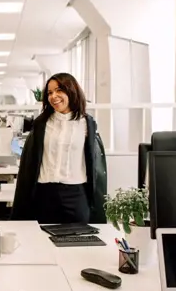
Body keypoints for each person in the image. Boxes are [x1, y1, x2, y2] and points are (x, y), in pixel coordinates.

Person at [11, 73, 107, 224]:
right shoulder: (41, 124)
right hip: (45, 193)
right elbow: (29, 164)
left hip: (77, 193)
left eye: (59, 90)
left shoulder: (87, 124)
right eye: (49, 93)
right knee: (43, 241)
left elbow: (94, 164)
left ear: (72, 90)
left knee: (80, 242)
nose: (53, 96)